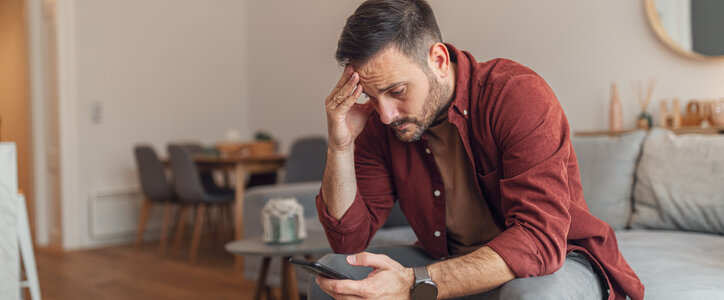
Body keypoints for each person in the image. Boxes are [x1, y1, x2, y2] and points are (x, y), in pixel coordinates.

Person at [310, 0, 644, 299]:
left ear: (438, 60)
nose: (385, 114)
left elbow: (539, 241)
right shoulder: (385, 123)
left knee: (528, 296)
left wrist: (415, 282)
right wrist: (340, 144)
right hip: (448, 261)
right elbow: (347, 244)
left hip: (557, 261)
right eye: (372, 96)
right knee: (337, 276)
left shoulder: (515, 95)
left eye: (397, 90)